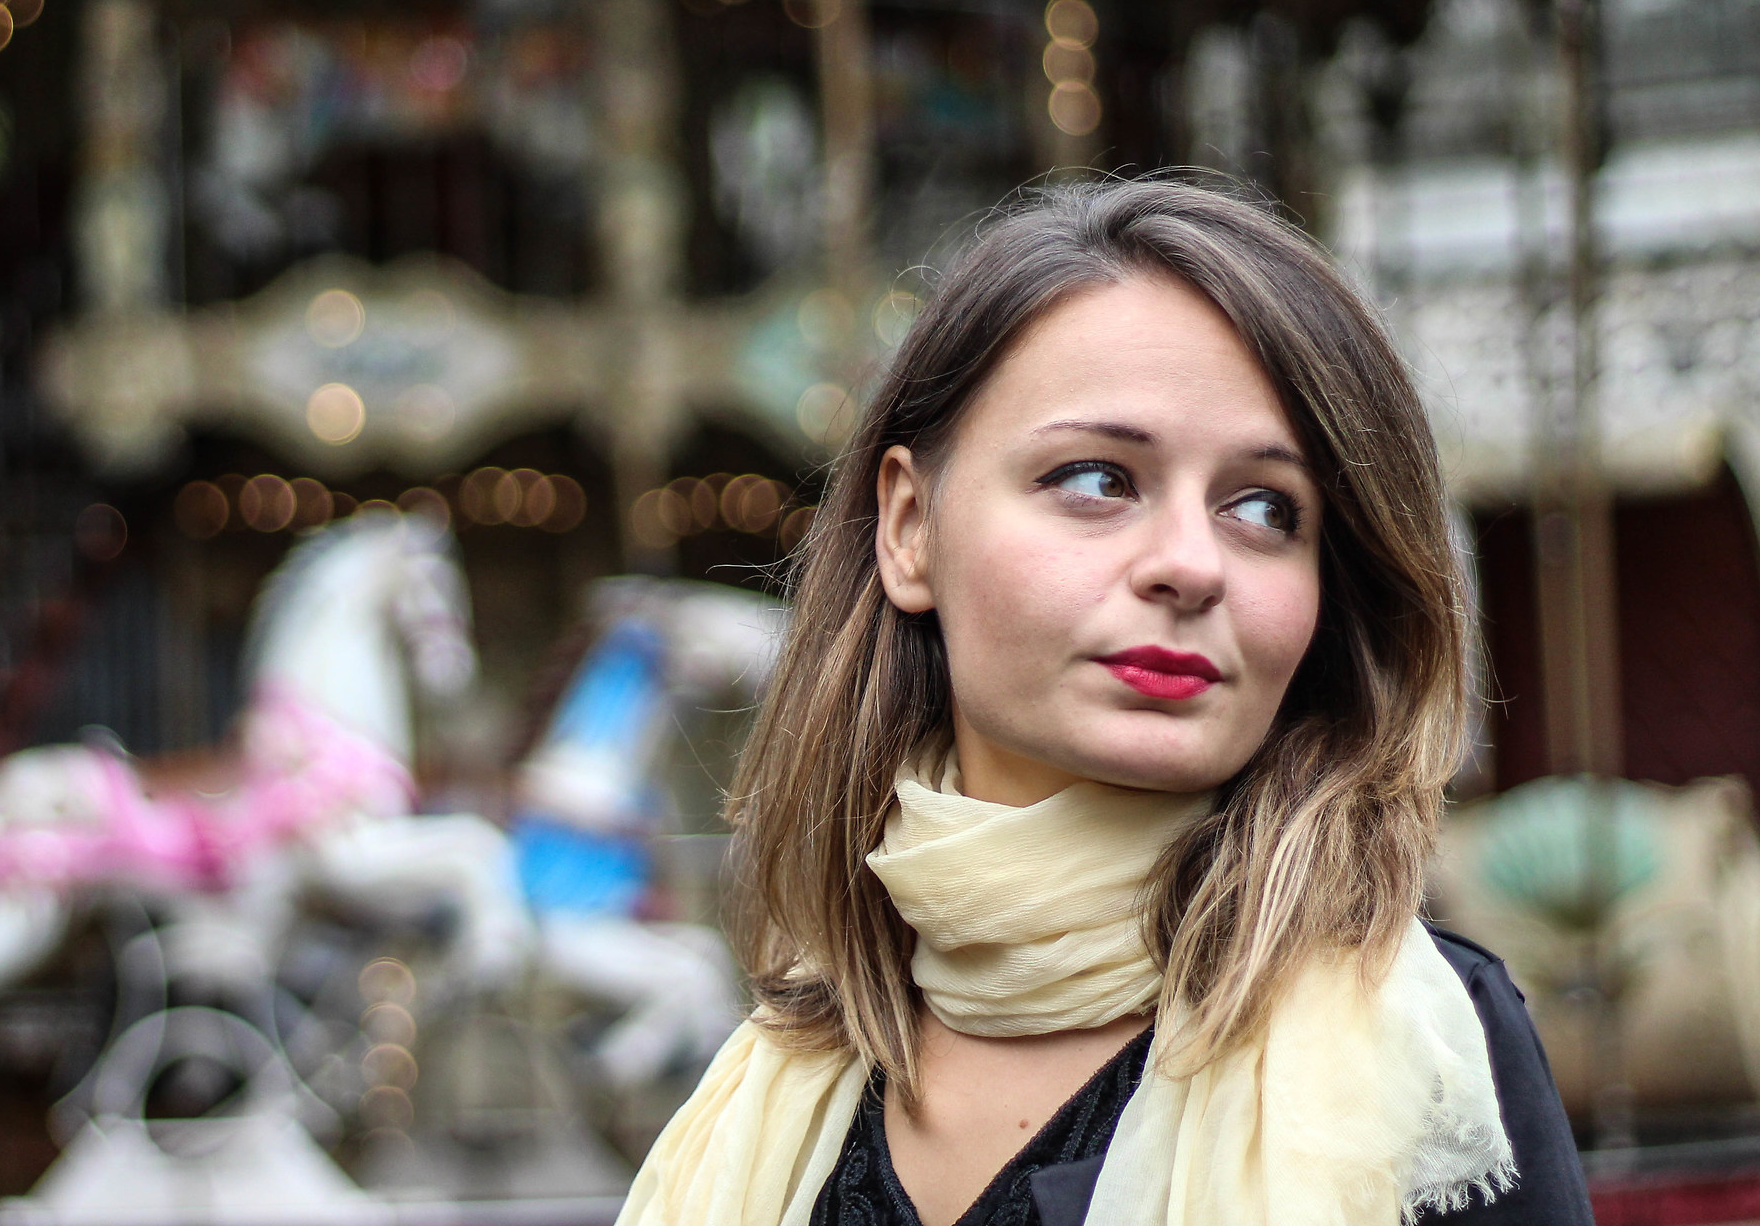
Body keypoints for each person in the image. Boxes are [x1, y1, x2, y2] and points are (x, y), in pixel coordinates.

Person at [618, 179, 1590, 1226]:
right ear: (908, 526)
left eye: (1265, 507)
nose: (1189, 564)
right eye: (1096, 481)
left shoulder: (1429, 1049)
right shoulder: (775, 1086)